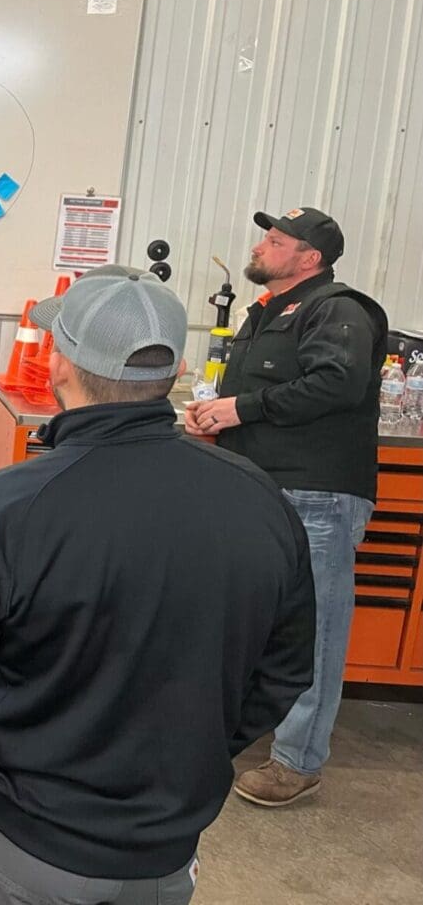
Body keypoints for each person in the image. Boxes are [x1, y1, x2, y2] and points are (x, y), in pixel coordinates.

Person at [0, 268, 315, 905]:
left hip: (28, 837)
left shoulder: (3, 509)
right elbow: (283, 671)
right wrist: (197, 754)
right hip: (168, 848)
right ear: (171, 375)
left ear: (59, 365)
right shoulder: (260, 500)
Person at [187, 207, 389, 807]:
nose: (261, 245)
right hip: (259, 488)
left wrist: (241, 410)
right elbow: (250, 392)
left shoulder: (338, 308)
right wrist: (215, 410)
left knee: (316, 630)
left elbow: (338, 382)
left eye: (276, 240)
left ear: (310, 259)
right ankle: (241, 731)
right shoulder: (264, 314)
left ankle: (298, 761)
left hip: (317, 495)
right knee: (249, 619)